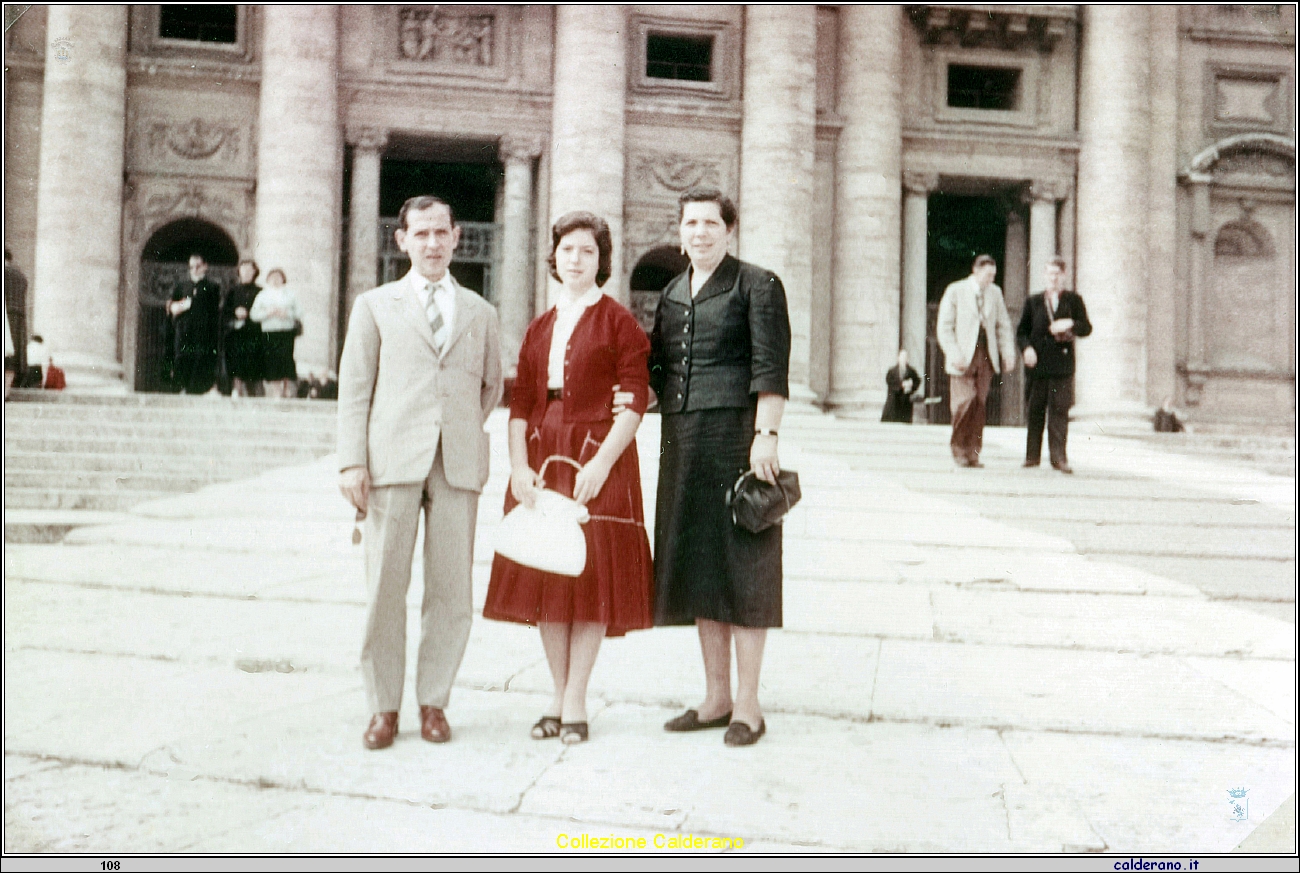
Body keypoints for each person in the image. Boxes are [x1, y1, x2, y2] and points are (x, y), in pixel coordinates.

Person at [337, 195, 503, 750]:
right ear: (402, 240)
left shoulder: (480, 311)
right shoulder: (374, 306)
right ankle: (383, 707)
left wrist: (453, 426)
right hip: (391, 462)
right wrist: (352, 461)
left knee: (452, 591)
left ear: (457, 237)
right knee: (385, 587)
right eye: (421, 234)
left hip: (457, 463)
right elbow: (354, 388)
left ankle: (434, 702)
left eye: (441, 233)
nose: (432, 243)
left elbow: (490, 387)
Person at [483, 211, 653, 745]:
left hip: (599, 454)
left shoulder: (620, 322)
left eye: (587, 250)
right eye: (567, 250)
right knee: (549, 575)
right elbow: (520, 404)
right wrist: (518, 466)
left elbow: (636, 399)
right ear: (553, 257)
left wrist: (602, 463)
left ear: (602, 260)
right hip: (542, 453)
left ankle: (576, 699)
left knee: (592, 577)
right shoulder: (539, 326)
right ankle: (557, 696)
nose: (575, 259)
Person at [649, 187, 791, 747]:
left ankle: (749, 706)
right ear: (680, 232)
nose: (700, 232)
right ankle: (716, 698)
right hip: (682, 440)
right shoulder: (671, 292)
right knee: (701, 567)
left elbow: (770, 366)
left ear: (729, 230)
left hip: (737, 437)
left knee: (745, 568)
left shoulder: (757, 283)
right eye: (691, 223)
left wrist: (766, 436)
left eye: (711, 223)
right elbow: (657, 368)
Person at [937, 254, 1016, 468]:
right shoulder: (955, 290)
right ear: (976, 270)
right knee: (964, 402)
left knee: (979, 405)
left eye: (993, 276)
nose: (991, 279)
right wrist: (953, 353)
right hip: (963, 356)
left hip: (985, 355)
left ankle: (973, 453)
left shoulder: (995, 293)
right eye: (988, 275)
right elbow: (944, 327)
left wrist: (1008, 353)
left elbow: (1003, 325)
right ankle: (959, 449)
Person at [1017, 256, 1092, 474]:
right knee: (1035, 410)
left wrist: (1071, 323)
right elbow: (1021, 332)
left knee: (1059, 411)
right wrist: (1026, 349)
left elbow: (1086, 327)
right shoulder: (1033, 301)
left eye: (1057, 274)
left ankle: (1059, 458)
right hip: (1037, 365)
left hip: (1062, 366)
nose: (1053, 278)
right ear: (1044, 275)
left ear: (1064, 275)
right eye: (1050, 273)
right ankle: (1032, 456)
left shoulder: (1073, 300)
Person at [167, 253, 222, 395]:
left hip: (203, 331)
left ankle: (197, 391)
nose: (194, 270)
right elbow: (171, 307)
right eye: (191, 267)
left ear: (205, 266)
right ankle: (181, 389)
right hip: (183, 330)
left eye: (198, 266)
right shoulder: (181, 286)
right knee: (182, 358)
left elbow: (213, 311)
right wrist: (182, 305)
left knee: (200, 359)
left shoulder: (212, 287)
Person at [250, 268, 303, 399]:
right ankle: (276, 391)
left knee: (286, 359)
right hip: (270, 332)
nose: (275, 280)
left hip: (286, 332)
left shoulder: (290, 294)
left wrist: (286, 314)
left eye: (278, 277)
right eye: (272, 277)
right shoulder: (263, 295)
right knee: (272, 361)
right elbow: (254, 314)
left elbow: (299, 312)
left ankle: (286, 389)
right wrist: (267, 313)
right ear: (268, 280)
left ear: (283, 279)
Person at [222, 259, 264, 398]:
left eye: (249, 269)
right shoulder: (233, 291)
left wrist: (249, 314)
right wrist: (235, 312)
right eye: (243, 269)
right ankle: (237, 391)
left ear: (254, 272)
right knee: (236, 366)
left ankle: (255, 396)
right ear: (239, 272)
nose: (246, 272)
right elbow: (225, 312)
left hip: (254, 335)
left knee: (254, 368)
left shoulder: (261, 292)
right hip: (237, 336)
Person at [5, 249, 28, 390]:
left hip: (6, 315)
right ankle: (6, 392)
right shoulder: (21, 276)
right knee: (13, 356)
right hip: (19, 317)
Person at [881, 349, 921, 423]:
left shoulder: (911, 371)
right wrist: (901, 385)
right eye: (902, 357)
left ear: (908, 359)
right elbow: (890, 382)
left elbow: (917, 381)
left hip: (905, 403)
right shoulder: (892, 371)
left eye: (905, 358)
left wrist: (911, 385)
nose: (903, 359)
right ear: (898, 358)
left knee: (904, 423)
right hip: (894, 403)